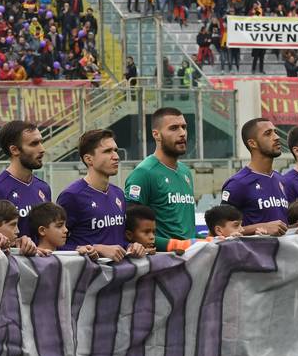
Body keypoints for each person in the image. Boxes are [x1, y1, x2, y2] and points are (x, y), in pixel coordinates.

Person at [57, 129, 144, 259]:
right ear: (89, 159)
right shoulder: (72, 196)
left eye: (115, 150)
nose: (116, 156)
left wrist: (131, 247)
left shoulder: (118, 194)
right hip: (88, 276)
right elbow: (57, 245)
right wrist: (96, 248)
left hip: (118, 274)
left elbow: (117, 240)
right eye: (108, 151)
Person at [124, 107, 196, 252]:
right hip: (162, 261)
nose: (182, 133)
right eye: (174, 128)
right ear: (156, 134)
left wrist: (209, 238)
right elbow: (131, 229)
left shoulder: (186, 172)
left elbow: (186, 231)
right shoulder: (143, 174)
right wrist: (176, 246)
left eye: (184, 127)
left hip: (191, 259)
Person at [0, 120, 50, 239]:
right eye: (34, 144)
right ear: (14, 150)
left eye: (41, 142)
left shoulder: (44, 188)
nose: (42, 149)